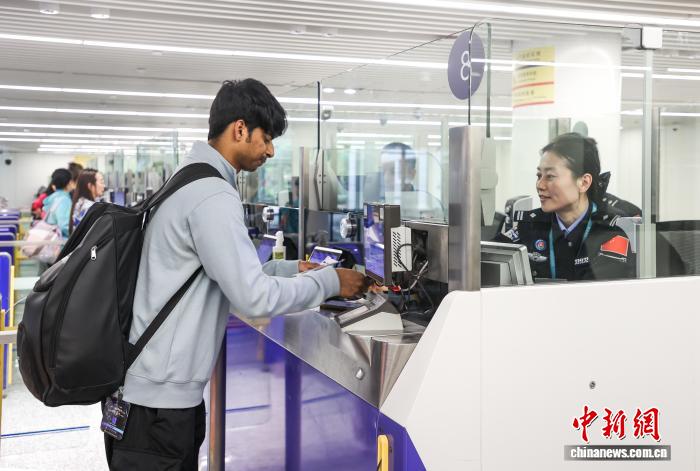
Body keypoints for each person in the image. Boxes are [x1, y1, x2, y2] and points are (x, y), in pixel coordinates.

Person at [107, 79, 367, 470]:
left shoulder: (187, 179)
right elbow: (253, 297)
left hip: (143, 398)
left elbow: (214, 275)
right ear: (240, 129)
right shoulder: (212, 194)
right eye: (267, 138)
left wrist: (291, 269)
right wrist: (331, 282)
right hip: (158, 409)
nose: (270, 150)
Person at [497, 133, 636, 281]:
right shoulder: (530, 226)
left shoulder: (610, 230)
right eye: (539, 176)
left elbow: (604, 291)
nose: (540, 185)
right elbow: (489, 258)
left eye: (550, 176)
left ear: (584, 183)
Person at [69, 168, 105, 233]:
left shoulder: (80, 202)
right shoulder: (90, 207)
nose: (104, 186)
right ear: (90, 186)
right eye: (101, 182)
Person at [42, 168, 75, 239]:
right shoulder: (64, 200)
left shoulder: (54, 198)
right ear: (69, 182)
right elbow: (65, 226)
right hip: (61, 241)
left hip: (52, 239)